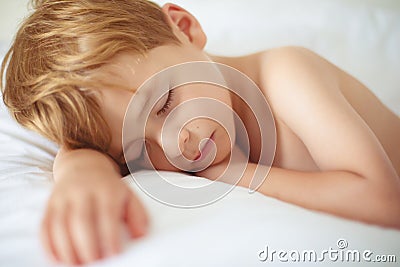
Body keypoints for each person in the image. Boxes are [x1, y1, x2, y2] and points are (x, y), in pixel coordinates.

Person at [1, 0, 400, 265]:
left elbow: (383, 200)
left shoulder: (288, 75)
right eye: (136, 149)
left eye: (165, 103)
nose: (175, 144)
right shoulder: (142, 128)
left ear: (185, 28)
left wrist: (236, 175)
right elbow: (86, 151)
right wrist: (80, 172)